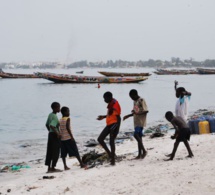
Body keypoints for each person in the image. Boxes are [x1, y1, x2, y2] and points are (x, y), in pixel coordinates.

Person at [97, 91, 121, 165]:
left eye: (105, 98)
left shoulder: (114, 105)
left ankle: (113, 160)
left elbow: (118, 118)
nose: (104, 100)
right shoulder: (111, 104)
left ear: (109, 97)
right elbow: (111, 115)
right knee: (100, 139)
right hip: (109, 124)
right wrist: (103, 117)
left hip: (114, 125)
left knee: (111, 142)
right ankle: (110, 154)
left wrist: (114, 129)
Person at [123, 89, 148, 159]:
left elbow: (146, 111)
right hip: (136, 121)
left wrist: (137, 113)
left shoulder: (141, 100)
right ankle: (140, 154)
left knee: (136, 135)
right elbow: (135, 112)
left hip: (141, 122)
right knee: (139, 137)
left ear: (135, 95)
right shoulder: (135, 101)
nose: (131, 98)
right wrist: (128, 115)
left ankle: (144, 151)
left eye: (131, 97)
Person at [45, 102, 62, 173]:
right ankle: (53, 167)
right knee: (56, 151)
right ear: (55, 108)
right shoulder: (55, 116)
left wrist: (50, 131)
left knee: (50, 151)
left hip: (50, 135)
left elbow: (46, 124)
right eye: (58, 107)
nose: (59, 109)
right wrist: (57, 133)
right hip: (54, 135)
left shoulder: (50, 115)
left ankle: (49, 167)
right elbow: (52, 125)